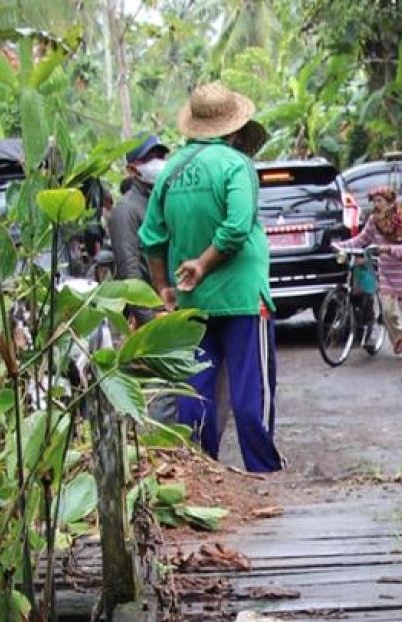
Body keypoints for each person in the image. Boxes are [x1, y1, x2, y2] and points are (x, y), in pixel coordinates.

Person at [138, 83, 282, 473]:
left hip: (192, 302)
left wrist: (163, 287)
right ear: (235, 129)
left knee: (195, 392)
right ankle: (263, 469)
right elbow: (236, 228)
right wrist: (203, 263)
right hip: (242, 297)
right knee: (252, 392)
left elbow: (151, 236)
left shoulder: (171, 171)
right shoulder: (237, 166)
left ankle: (205, 472)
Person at [334, 185, 402, 359]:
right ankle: (399, 335)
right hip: (385, 271)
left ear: (389, 202)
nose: (377, 204)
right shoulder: (373, 221)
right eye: (374, 201)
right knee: (387, 310)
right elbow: (362, 240)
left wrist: (388, 249)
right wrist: (342, 245)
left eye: (380, 201)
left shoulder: (399, 221)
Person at [110, 134, 169, 325]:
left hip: (172, 307)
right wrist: (149, 322)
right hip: (154, 312)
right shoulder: (125, 210)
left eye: (161, 156)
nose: (158, 162)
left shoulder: (163, 200)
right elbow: (130, 272)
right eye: (149, 158)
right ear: (132, 169)